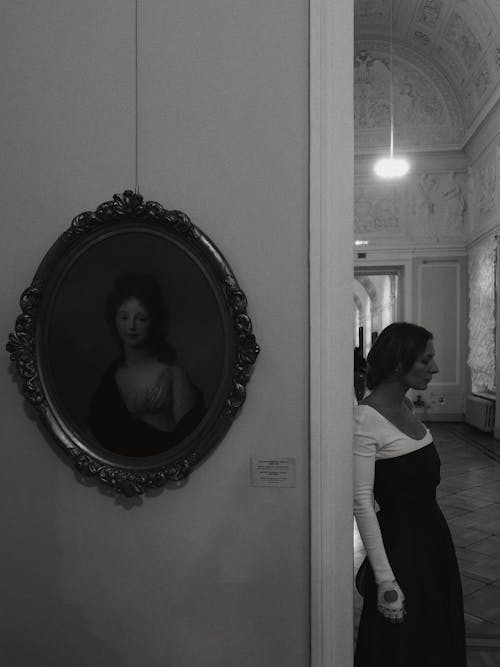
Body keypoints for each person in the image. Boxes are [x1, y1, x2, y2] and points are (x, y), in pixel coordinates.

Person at [353, 322, 466, 666]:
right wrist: (385, 578)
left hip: (434, 541)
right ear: (399, 363)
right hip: (399, 548)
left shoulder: (407, 408)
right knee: (401, 645)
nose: (435, 368)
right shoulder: (364, 420)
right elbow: (361, 501)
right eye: (426, 360)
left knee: (433, 636)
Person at [89, 273, 205, 457]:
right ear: (114, 320)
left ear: (154, 322)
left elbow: (187, 439)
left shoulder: (172, 373)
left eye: (141, 318)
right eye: (124, 317)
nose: (131, 326)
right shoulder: (109, 378)